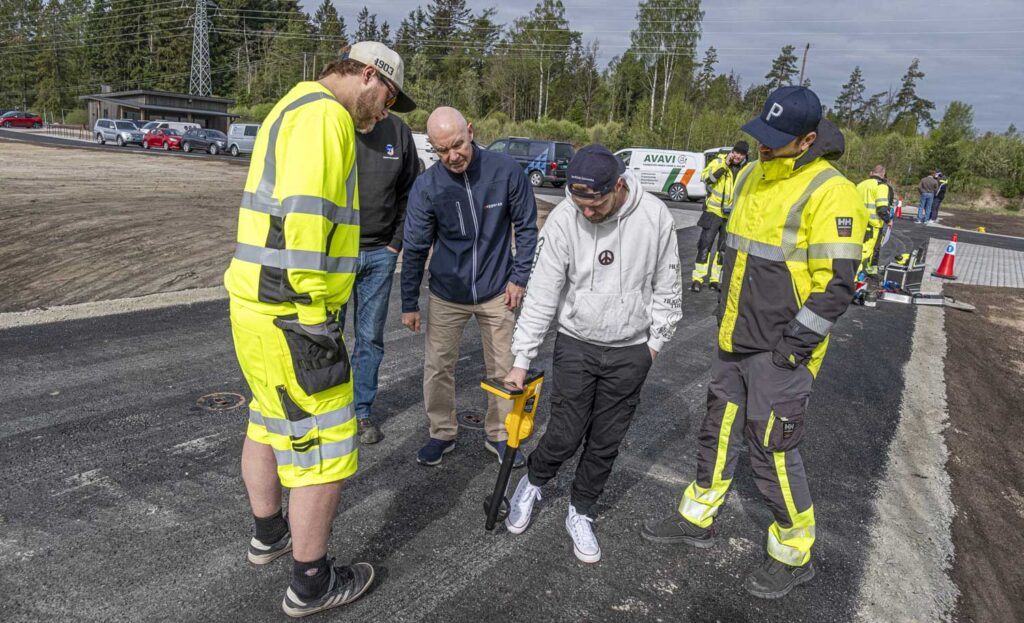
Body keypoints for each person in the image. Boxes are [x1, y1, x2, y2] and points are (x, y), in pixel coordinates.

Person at [642, 86, 866, 600]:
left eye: (775, 141)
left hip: (781, 352)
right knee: (717, 430)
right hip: (734, 340)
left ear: (807, 140)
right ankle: (698, 517)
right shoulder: (748, 175)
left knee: (773, 452)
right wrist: (725, 323)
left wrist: (791, 350)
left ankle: (793, 550)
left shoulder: (832, 192)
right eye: (760, 136)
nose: (762, 147)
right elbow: (738, 256)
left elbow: (836, 288)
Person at [223, 41, 415, 618]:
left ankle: (268, 535)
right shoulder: (327, 116)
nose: (384, 112)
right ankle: (310, 583)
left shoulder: (291, 106)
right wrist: (316, 318)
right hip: (293, 313)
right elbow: (306, 216)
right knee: (328, 446)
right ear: (367, 75)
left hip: (256, 306)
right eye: (386, 98)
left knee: (266, 416)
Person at [501, 145, 682, 563]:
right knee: (564, 433)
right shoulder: (566, 218)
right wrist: (520, 361)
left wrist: (652, 347)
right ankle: (533, 480)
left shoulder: (654, 216)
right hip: (577, 343)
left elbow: (667, 288)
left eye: (595, 204)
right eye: (579, 204)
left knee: (605, 442)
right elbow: (543, 293)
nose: (587, 213)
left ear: (617, 186)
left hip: (630, 350)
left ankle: (580, 511)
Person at [401, 106, 538, 468]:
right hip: (447, 294)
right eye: (442, 150)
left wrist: (519, 277)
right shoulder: (427, 186)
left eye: (457, 145)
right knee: (437, 367)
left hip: (498, 290)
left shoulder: (505, 172)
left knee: (504, 366)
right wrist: (409, 301)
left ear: (471, 132)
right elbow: (415, 246)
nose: (452, 156)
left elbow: (526, 227)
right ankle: (441, 432)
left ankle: (498, 433)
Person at [340, 103, 419, 445]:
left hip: (380, 254)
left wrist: (396, 243)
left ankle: (361, 412)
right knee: (326, 336)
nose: (381, 111)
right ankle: (327, 411)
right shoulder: (336, 124)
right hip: (335, 254)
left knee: (369, 339)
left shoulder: (398, 132)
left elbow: (411, 192)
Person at [691, 141, 749, 292]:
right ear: (732, 151)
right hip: (713, 212)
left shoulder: (746, 170)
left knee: (723, 249)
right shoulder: (718, 161)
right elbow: (706, 178)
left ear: (745, 155)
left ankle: (715, 279)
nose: (737, 156)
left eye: (741, 154)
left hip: (730, 216)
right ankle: (698, 278)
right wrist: (724, 165)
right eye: (736, 152)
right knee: (705, 245)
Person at [855, 165, 894, 277]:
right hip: (873, 224)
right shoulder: (881, 186)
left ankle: (869, 270)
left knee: (859, 247)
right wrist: (888, 220)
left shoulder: (861, 184)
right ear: (883, 174)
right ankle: (855, 275)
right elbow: (881, 208)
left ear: (871, 173)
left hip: (858, 222)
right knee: (866, 250)